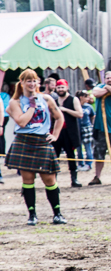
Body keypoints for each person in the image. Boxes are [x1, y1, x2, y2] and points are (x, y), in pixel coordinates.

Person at [4, 69, 66, 224]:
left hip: (42, 141)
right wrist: (32, 105)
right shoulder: (15, 102)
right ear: (22, 82)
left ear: (39, 82)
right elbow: (22, 122)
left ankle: (57, 214)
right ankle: (32, 215)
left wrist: (55, 135)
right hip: (24, 140)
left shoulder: (47, 98)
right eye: (29, 81)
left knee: (49, 179)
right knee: (28, 179)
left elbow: (59, 117)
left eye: (35, 81)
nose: (32, 84)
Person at [51, 79, 83, 188]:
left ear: (67, 87)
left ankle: (74, 179)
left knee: (71, 155)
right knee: (55, 156)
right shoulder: (54, 101)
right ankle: (53, 180)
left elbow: (80, 114)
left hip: (69, 132)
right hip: (56, 132)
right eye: (58, 87)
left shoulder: (73, 99)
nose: (60, 89)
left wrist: (65, 110)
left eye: (62, 87)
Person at [75, 90, 94, 172]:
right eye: (86, 96)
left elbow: (93, 116)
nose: (88, 98)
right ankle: (80, 163)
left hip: (86, 128)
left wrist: (92, 125)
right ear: (81, 97)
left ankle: (89, 164)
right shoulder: (75, 106)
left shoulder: (89, 107)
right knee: (78, 148)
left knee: (88, 147)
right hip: (77, 128)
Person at [0, 83, 10, 184]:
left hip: (3, 117)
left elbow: (2, 110)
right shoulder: (6, 95)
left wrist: (0, 125)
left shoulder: (2, 96)